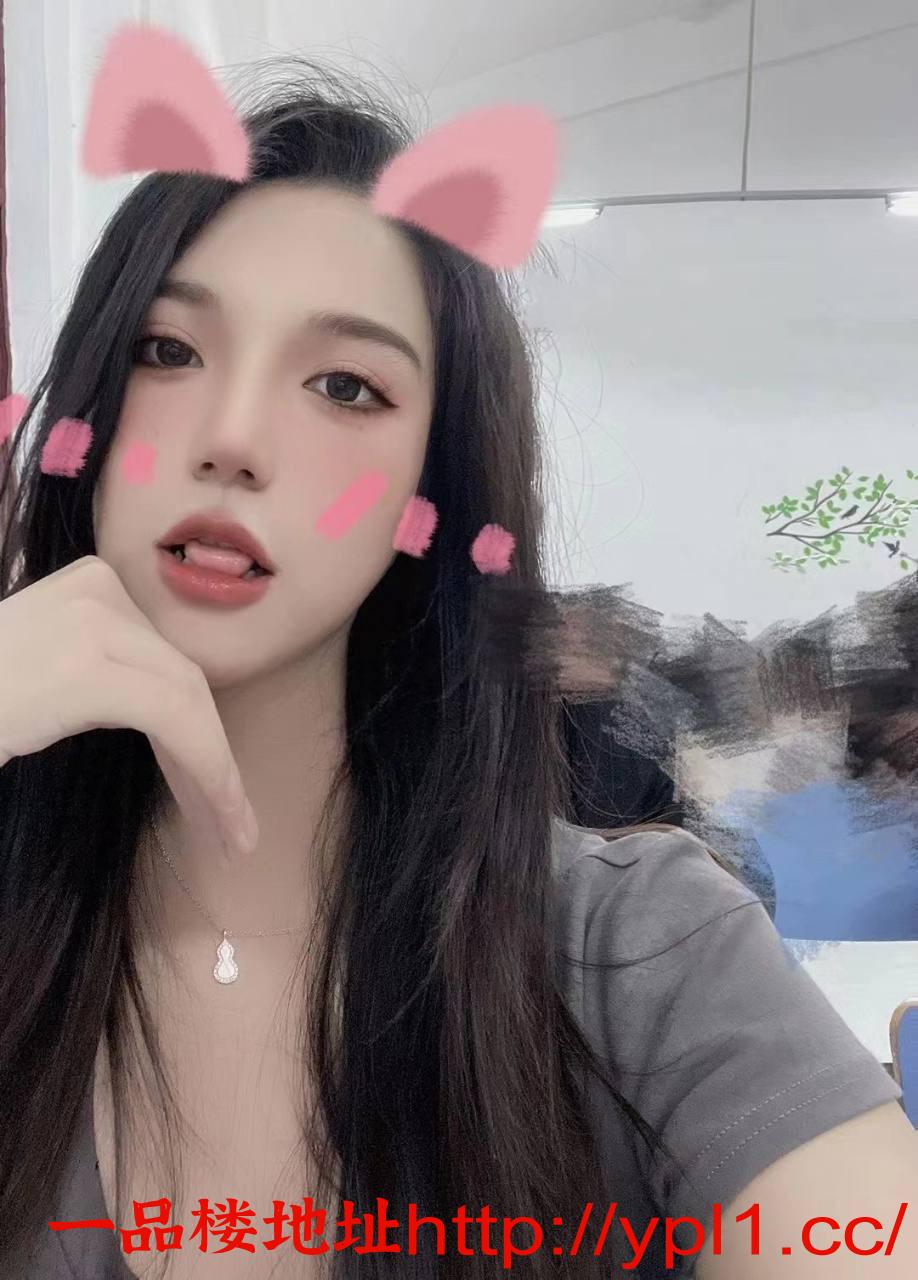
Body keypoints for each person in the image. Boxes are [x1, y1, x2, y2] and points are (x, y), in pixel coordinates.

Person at [0, 55, 914, 1280]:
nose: (230, 437)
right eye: (167, 350)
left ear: (426, 499)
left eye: (345, 385)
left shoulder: (634, 950)